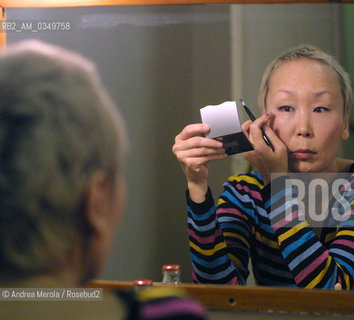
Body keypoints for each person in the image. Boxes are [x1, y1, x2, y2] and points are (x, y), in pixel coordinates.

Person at [0, 40, 207, 320]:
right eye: (283, 108)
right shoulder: (170, 316)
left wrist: (283, 180)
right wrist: (282, 183)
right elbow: (219, 278)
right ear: (96, 201)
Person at [173, 44, 354, 291]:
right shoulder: (244, 193)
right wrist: (197, 186)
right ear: (263, 120)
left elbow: (331, 291)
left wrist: (276, 183)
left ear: (345, 122)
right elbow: (219, 292)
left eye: (320, 109)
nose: (303, 128)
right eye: (286, 108)